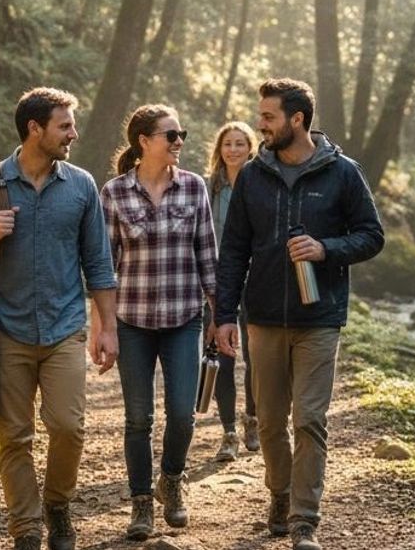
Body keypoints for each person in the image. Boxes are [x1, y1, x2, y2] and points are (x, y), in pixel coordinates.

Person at [0, 87, 118, 550]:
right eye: (64, 125)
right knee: (15, 437)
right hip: (5, 330)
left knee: (68, 427)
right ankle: (26, 528)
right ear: (34, 129)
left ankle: (57, 504)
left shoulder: (80, 185)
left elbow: (98, 262)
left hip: (63, 329)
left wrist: (108, 329)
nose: (73, 134)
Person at [215, 79, 384, 550]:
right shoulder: (252, 175)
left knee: (309, 418)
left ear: (297, 120)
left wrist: (325, 248)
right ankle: (280, 493)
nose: (260, 125)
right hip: (263, 317)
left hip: (321, 317)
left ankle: (304, 519)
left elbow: (372, 235)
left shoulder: (343, 173)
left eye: (267, 117)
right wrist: (225, 314)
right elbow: (233, 249)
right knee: (269, 421)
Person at [98, 104, 218, 541]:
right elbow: (103, 266)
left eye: (180, 134)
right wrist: (103, 327)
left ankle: (172, 478)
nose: (179, 141)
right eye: (171, 135)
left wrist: (219, 317)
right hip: (133, 321)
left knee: (183, 413)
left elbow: (208, 256)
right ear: (144, 142)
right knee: (137, 418)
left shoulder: (194, 188)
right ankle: (142, 502)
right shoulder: (113, 193)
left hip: (184, 318)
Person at [203, 121, 261, 461]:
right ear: (219, 149)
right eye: (228, 143)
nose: (234, 149)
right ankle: (227, 432)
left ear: (250, 147)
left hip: (256, 281)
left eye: (241, 143)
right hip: (218, 283)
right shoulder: (209, 187)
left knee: (256, 356)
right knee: (221, 357)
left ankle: (251, 419)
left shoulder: (260, 184)